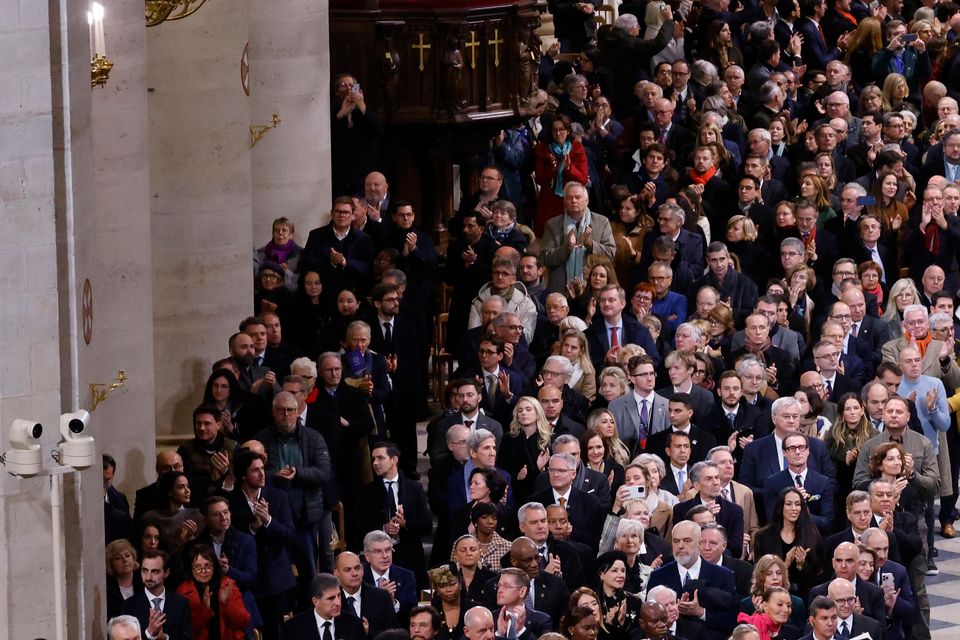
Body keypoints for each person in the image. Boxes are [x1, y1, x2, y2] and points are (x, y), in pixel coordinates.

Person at [540, 182, 616, 292]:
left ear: (587, 200)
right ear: (564, 201)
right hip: (561, 289)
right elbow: (544, 259)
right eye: (569, 198)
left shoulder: (602, 222)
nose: (574, 201)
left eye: (578, 197)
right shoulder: (553, 225)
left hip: (591, 289)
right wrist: (567, 248)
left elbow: (611, 254)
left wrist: (589, 243)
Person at [753, 487, 824, 601]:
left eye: (797, 504)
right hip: (771, 596)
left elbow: (816, 576)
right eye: (789, 504)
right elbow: (759, 573)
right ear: (781, 507)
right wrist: (784, 564)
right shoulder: (763, 536)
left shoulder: (812, 535)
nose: (794, 508)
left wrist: (801, 564)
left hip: (802, 596)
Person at [176, 544, 250, 640]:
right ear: (191, 569)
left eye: (207, 566)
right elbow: (186, 630)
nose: (203, 571)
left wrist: (226, 603)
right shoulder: (183, 591)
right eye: (198, 567)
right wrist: (205, 609)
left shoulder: (228, 585)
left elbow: (242, 623)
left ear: (214, 566)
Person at [123, 550, 192, 640]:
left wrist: (165, 638)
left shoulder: (181, 603)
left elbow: (187, 638)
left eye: (155, 571)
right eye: (145, 571)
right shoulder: (128, 606)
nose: (148, 577)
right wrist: (149, 634)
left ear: (166, 573)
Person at [280, 573, 365, 639]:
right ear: (315, 601)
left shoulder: (354, 625)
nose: (338, 603)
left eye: (339, 596)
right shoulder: (293, 628)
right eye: (331, 598)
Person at [739, 555, 807, 629]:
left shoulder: (797, 603)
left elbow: (798, 634)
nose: (775, 577)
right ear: (761, 577)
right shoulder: (747, 604)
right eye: (769, 574)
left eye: (779, 573)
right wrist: (759, 613)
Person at [426, 564, 475, 640]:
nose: (448, 589)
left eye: (452, 584)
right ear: (436, 589)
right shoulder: (430, 614)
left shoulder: (474, 610)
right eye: (442, 586)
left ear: (460, 583)